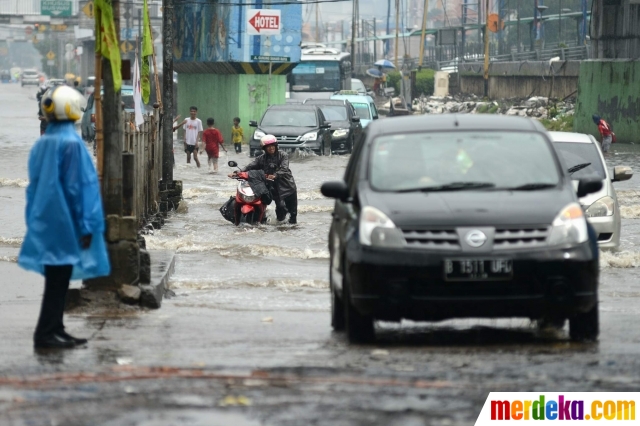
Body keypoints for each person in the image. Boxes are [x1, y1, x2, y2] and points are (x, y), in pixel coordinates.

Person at [18, 85, 110, 349]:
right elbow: (77, 188)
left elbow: (35, 186)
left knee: (56, 277)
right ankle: (46, 333)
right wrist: (85, 225)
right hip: (67, 222)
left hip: (45, 220)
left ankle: (55, 329)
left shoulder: (43, 143)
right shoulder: (71, 143)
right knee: (59, 279)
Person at [230, 135, 298, 224]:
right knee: (280, 209)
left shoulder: (283, 155)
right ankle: (280, 227)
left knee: (293, 214)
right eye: (268, 147)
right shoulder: (261, 159)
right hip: (274, 189)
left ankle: (292, 229)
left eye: (273, 146)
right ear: (264, 148)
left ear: (276, 146)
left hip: (288, 187)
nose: (271, 148)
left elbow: (284, 169)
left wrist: (275, 175)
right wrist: (238, 172)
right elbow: (250, 166)